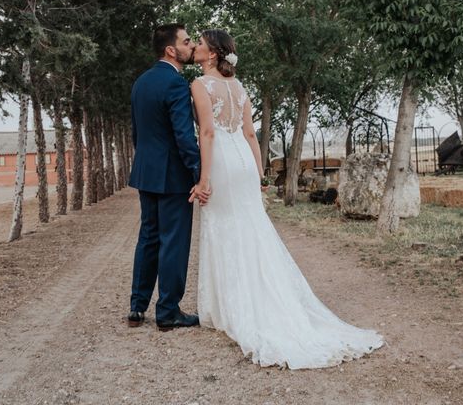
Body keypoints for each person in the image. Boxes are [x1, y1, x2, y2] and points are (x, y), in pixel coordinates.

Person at [190, 29, 384, 369]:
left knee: (224, 228)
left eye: (201, 44)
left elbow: (207, 132)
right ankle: (264, 298)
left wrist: (204, 178)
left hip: (220, 162)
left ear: (213, 53)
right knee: (252, 229)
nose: (196, 47)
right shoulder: (239, 87)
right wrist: (260, 173)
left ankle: (231, 309)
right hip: (244, 165)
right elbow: (251, 133)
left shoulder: (200, 85)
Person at [127, 23, 210, 332]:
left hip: (146, 171)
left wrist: (148, 162)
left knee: (148, 238)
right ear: (171, 50)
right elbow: (184, 136)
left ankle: (137, 307)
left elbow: (137, 133)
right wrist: (198, 173)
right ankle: (168, 311)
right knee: (173, 241)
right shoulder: (176, 84)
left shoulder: (141, 82)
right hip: (173, 175)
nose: (191, 46)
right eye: (187, 42)